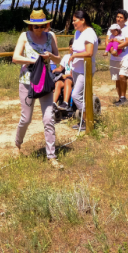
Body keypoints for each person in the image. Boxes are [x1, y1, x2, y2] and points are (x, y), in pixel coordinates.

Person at [12, 9, 63, 169]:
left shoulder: (51, 36)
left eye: (42, 26)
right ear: (30, 27)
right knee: (26, 119)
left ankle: (51, 156)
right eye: (36, 27)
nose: (39, 29)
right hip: (27, 81)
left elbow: (58, 58)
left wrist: (50, 57)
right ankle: (17, 145)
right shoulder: (24, 36)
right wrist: (33, 60)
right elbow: (15, 58)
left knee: (49, 118)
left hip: (46, 82)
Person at [69, 10, 99, 131]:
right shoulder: (77, 33)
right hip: (77, 69)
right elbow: (76, 49)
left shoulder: (89, 33)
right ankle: (84, 121)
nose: (73, 23)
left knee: (76, 95)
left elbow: (89, 52)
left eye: (75, 20)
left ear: (83, 20)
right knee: (82, 96)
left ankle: (88, 121)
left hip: (85, 70)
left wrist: (74, 56)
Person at [109, 9, 128, 106]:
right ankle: (120, 99)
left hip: (125, 56)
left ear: (125, 20)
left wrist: (115, 48)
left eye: (121, 17)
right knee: (117, 79)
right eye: (117, 17)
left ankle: (123, 98)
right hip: (114, 58)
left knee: (122, 76)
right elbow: (108, 40)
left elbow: (127, 42)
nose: (118, 19)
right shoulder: (111, 28)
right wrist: (111, 50)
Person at [53, 38, 74, 111]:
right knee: (58, 83)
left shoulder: (78, 58)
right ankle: (54, 103)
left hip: (74, 78)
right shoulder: (66, 57)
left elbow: (74, 73)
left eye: (73, 46)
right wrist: (54, 70)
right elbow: (60, 68)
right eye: (70, 46)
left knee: (67, 81)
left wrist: (65, 76)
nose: (72, 48)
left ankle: (65, 103)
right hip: (65, 78)